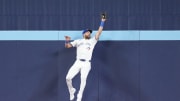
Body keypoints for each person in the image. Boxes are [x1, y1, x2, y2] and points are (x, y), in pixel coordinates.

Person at [65, 17, 106, 101]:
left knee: (83, 79)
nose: (89, 33)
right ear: (84, 34)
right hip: (78, 62)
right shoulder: (78, 41)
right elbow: (68, 46)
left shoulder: (92, 41)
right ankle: (72, 90)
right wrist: (67, 41)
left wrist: (102, 21)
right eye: (87, 32)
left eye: (89, 33)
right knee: (68, 78)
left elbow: (99, 32)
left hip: (86, 63)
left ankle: (79, 97)